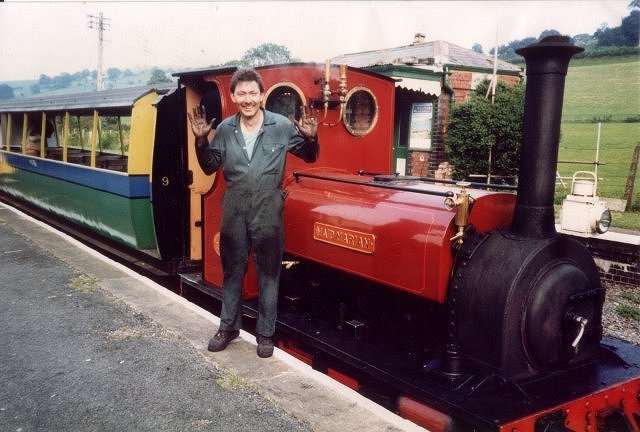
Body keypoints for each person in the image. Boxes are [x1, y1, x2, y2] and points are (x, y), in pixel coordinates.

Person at [188, 68, 319, 358]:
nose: (248, 99)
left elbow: (310, 156)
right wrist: (200, 142)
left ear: (262, 96)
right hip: (234, 209)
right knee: (232, 272)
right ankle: (228, 328)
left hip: (268, 210)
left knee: (269, 275)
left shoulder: (282, 126)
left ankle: (265, 334)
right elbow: (209, 166)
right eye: (242, 93)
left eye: (253, 93)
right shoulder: (223, 129)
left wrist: (311, 139)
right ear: (234, 96)